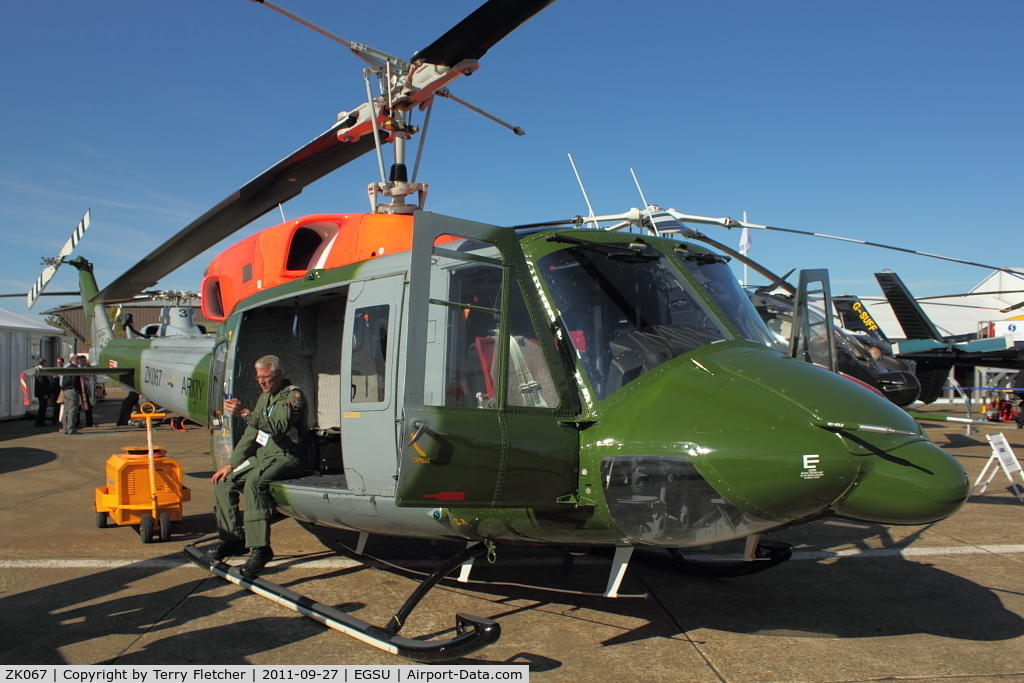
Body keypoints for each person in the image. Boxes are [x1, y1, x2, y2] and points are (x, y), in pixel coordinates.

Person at [207, 355, 308, 577]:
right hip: (264, 456)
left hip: (287, 457)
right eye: (258, 378)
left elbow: (279, 426)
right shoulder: (265, 398)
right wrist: (231, 465)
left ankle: (260, 548)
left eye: (266, 377)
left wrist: (244, 413)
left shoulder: (293, 396)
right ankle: (233, 539)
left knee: (255, 482)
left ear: (278, 375)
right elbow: (251, 434)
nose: (262, 382)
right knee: (223, 482)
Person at [59, 356, 81, 435]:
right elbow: (75, 380)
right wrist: (76, 388)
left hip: (65, 390)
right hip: (72, 390)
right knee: (72, 410)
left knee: (66, 410)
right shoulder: (75, 368)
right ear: (77, 360)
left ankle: (65, 428)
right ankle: (71, 429)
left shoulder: (67, 368)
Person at [76, 354, 96, 428]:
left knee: (88, 406)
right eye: (83, 361)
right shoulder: (77, 368)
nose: (84, 362)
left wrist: (90, 390)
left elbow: (87, 378)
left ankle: (89, 422)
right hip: (80, 389)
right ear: (79, 360)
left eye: (85, 361)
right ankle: (77, 423)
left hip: (85, 389)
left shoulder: (85, 368)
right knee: (78, 407)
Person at [33, 358, 53, 427]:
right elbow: (41, 383)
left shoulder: (39, 370)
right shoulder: (40, 371)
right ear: (44, 363)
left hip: (40, 393)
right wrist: (44, 393)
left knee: (42, 407)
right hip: (42, 394)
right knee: (42, 408)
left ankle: (40, 421)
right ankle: (40, 422)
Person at [51, 358, 64, 425]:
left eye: (60, 362)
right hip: (56, 390)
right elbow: (54, 378)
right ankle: (54, 420)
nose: (58, 363)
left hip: (62, 389)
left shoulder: (64, 369)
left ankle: (61, 419)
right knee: (56, 405)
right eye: (57, 362)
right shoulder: (55, 369)